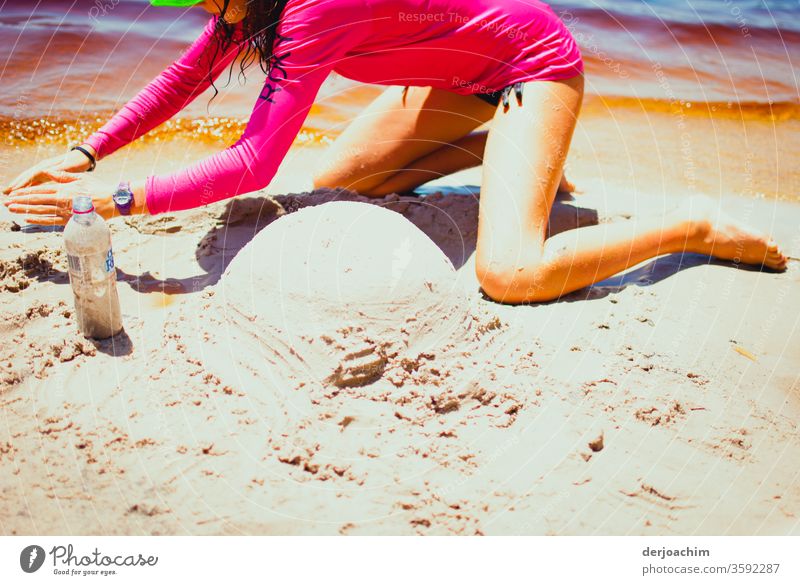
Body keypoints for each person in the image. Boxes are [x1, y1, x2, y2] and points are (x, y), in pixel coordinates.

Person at [2, 0, 787, 303]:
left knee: (509, 274)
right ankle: (512, 155)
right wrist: (86, 152)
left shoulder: (308, 11)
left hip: (528, 66)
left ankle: (692, 223)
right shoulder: (250, 7)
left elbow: (250, 164)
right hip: (459, 78)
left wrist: (111, 201)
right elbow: (185, 75)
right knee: (340, 181)